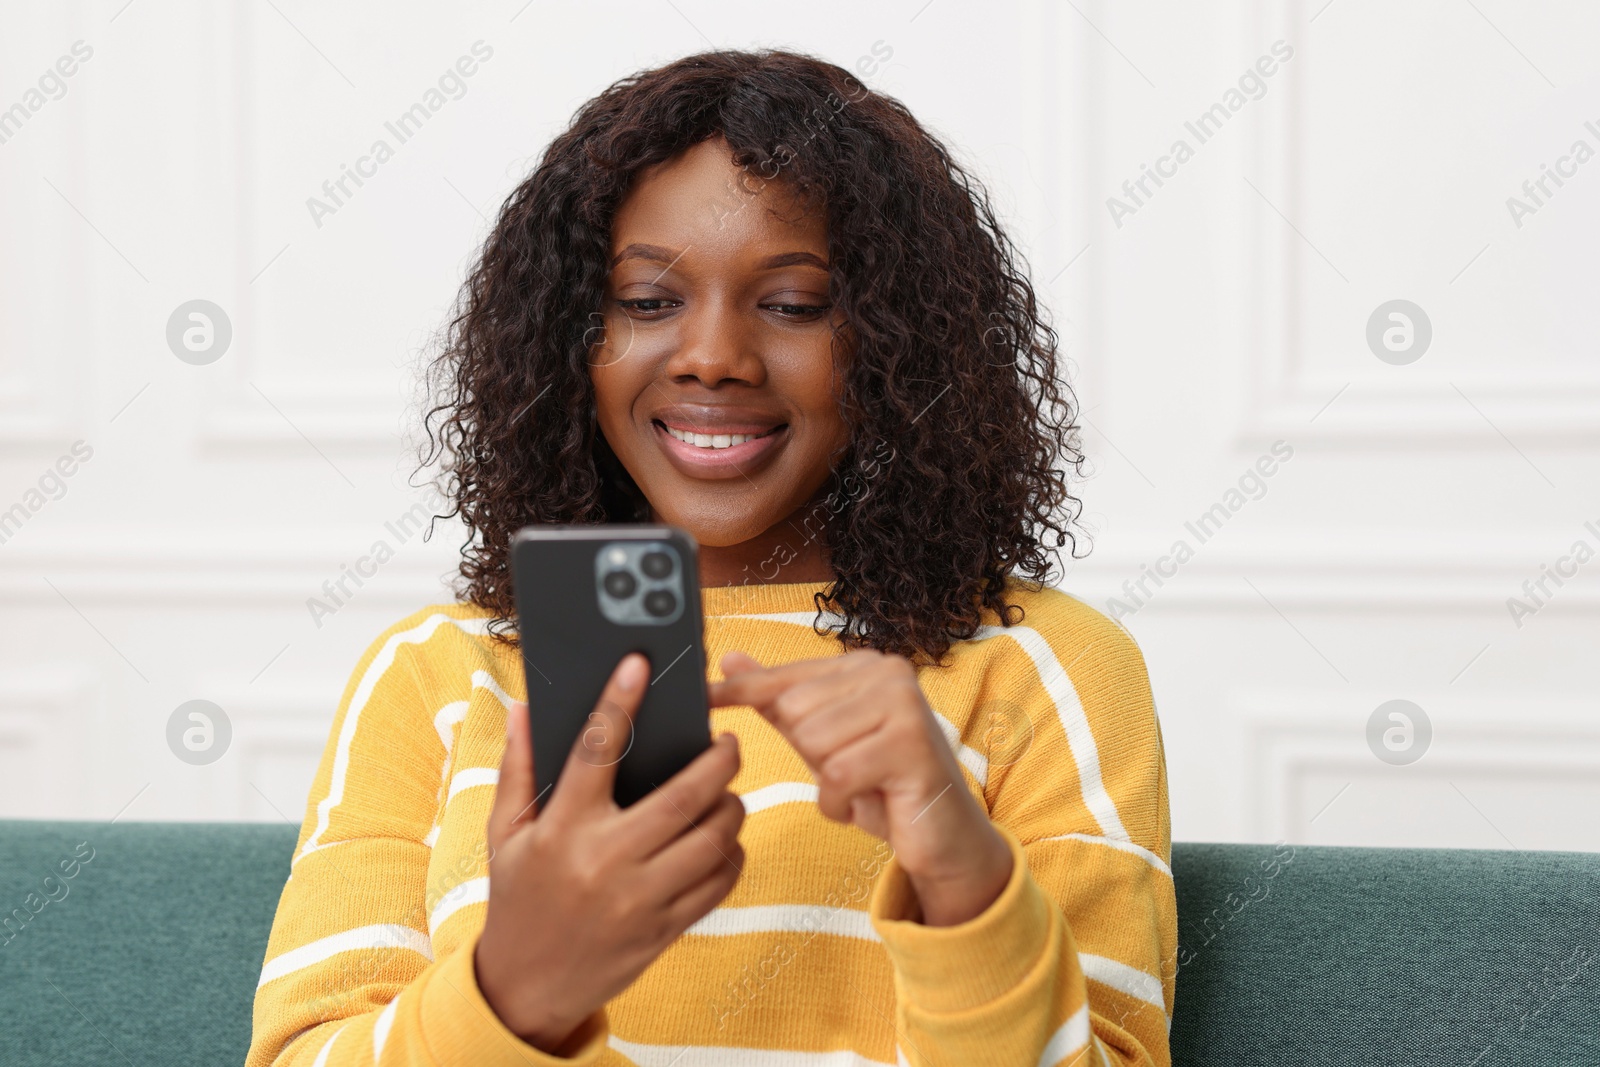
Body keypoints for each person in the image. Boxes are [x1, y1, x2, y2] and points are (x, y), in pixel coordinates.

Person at [246, 48, 1175, 1067]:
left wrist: (964, 882)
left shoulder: (1041, 664)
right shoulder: (433, 673)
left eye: (792, 304)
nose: (712, 356)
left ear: (898, 344)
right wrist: (517, 993)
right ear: (568, 338)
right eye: (648, 301)